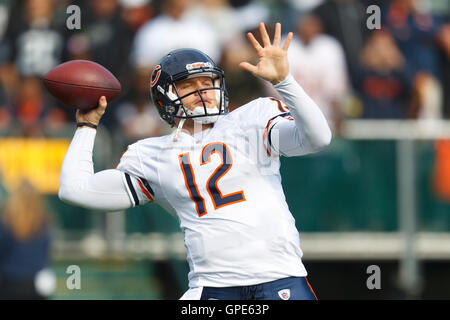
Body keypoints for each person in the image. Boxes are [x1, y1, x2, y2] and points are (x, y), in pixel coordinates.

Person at [59, 22, 331, 300]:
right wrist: (86, 126)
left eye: (208, 82)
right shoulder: (150, 155)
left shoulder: (253, 117)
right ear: (165, 95)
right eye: (189, 84)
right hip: (210, 286)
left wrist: (285, 82)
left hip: (279, 278)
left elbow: (319, 138)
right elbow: (74, 189)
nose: (203, 90)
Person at [0, 180, 55, 300]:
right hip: (36, 285)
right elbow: (46, 252)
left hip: (9, 283)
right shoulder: (44, 224)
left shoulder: (6, 224)